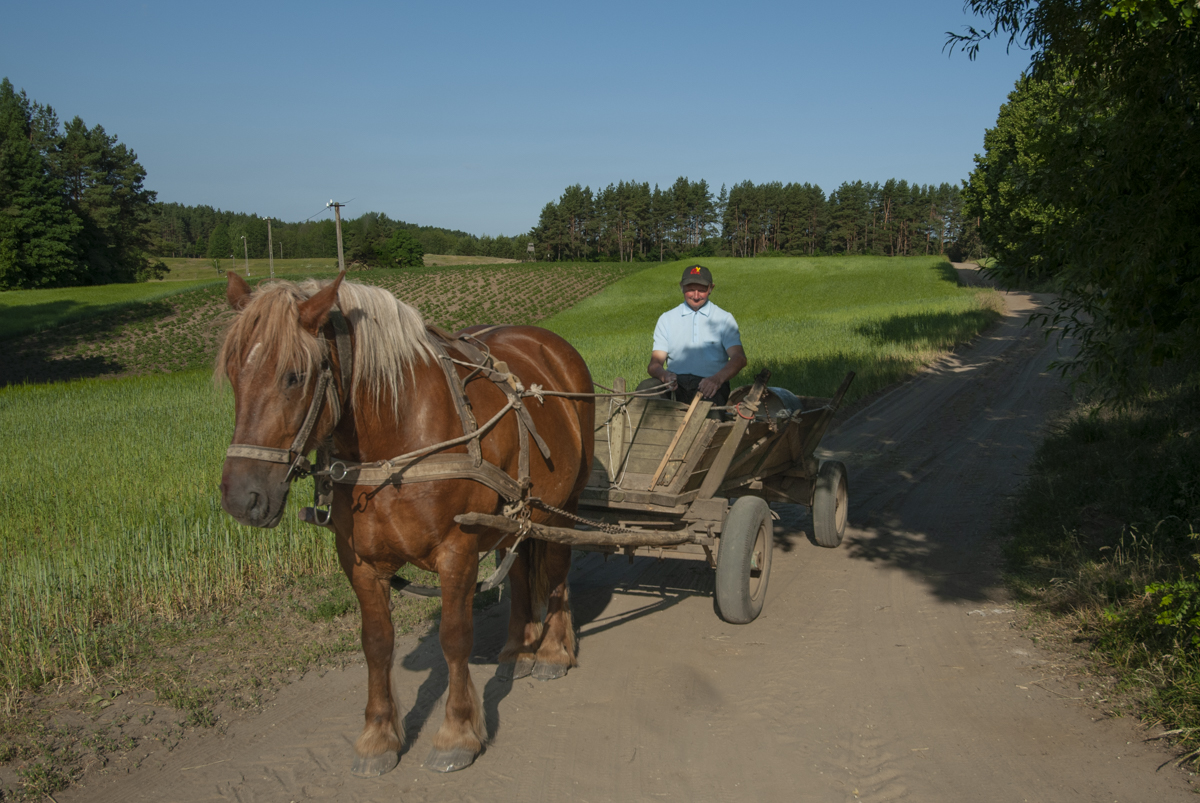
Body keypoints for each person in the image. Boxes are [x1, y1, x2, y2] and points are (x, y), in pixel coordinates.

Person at [647, 264, 747, 406]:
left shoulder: (724, 318)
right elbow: (654, 364)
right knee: (646, 389)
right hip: (675, 386)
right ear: (681, 287)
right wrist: (665, 376)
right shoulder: (667, 318)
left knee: (709, 415)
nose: (695, 296)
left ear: (711, 288)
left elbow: (739, 358)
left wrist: (716, 380)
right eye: (690, 289)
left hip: (709, 385)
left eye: (701, 290)